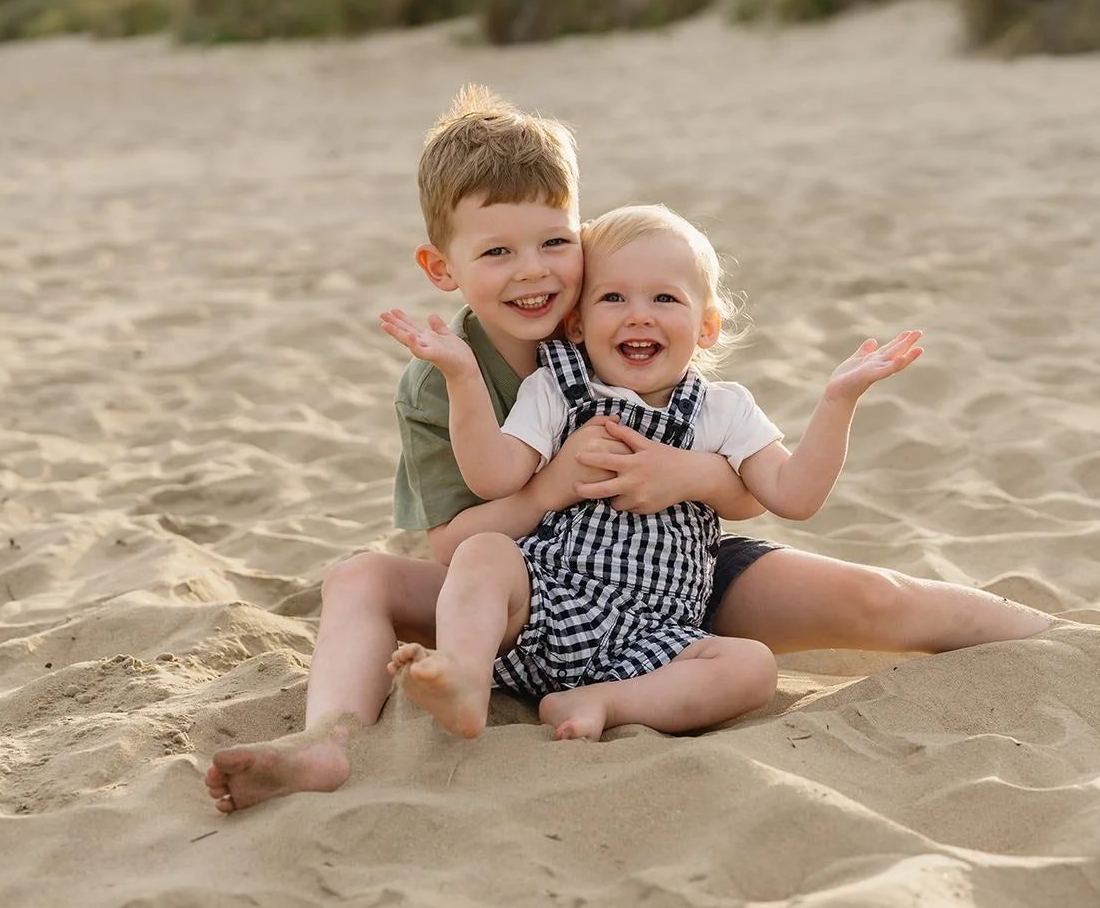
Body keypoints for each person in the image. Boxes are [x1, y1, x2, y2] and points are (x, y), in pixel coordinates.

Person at [203, 86, 1053, 814]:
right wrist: (554, 485)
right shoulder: (446, 381)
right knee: (358, 574)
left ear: (582, 232)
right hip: (524, 586)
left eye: (555, 243)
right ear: (445, 267)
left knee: (874, 600)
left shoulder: (626, 293)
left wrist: (691, 473)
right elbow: (460, 544)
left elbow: (765, 489)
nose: (534, 271)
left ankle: (1057, 637)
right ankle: (327, 741)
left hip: (674, 568)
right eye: (496, 252)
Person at [380, 203, 924, 743]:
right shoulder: (553, 390)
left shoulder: (723, 410)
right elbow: (492, 477)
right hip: (543, 609)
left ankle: (601, 702)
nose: (638, 315)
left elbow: (794, 495)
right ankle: (466, 681)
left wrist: (837, 400)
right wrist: (462, 376)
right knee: (483, 551)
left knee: (750, 666)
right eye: (612, 297)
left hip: (657, 641)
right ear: (578, 322)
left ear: (706, 325)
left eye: (664, 298)